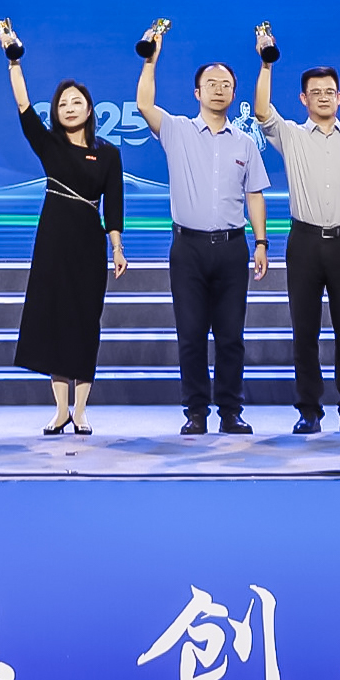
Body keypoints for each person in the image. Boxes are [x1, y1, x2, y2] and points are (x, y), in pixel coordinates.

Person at [134, 23, 269, 437]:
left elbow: (254, 195)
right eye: (211, 84)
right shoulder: (177, 130)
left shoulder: (244, 142)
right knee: (191, 334)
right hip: (188, 248)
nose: (218, 90)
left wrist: (262, 242)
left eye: (226, 85)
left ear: (233, 92)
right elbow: (143, 104)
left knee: (231, 336)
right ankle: (195, 411)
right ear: (197, 92)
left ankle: (231, 411)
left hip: (232, 247)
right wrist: (150, 61)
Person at [250, 37, 340, 435]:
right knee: (304, 331)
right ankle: (309, 410)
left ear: (339, 97)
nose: (323, 97)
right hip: (304, 243)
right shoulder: (291, 135)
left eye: (330, 91)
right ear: (303, 99)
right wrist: (267, 63)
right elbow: (262, 110)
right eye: (315, 92)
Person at [4, 24, 126, 434]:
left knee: (84, 322)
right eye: (63, 103)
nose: (70, 108)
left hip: (89, 244)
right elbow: (23, 106)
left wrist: (117, 247)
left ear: (90, 109)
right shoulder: (50, 145)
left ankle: (82, 410)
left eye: (77, 102)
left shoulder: (109, 154)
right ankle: (60, 410)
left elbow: (114, 204)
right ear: (55, 112)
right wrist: (14, 60)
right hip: (53, 240)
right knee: (54, 319)